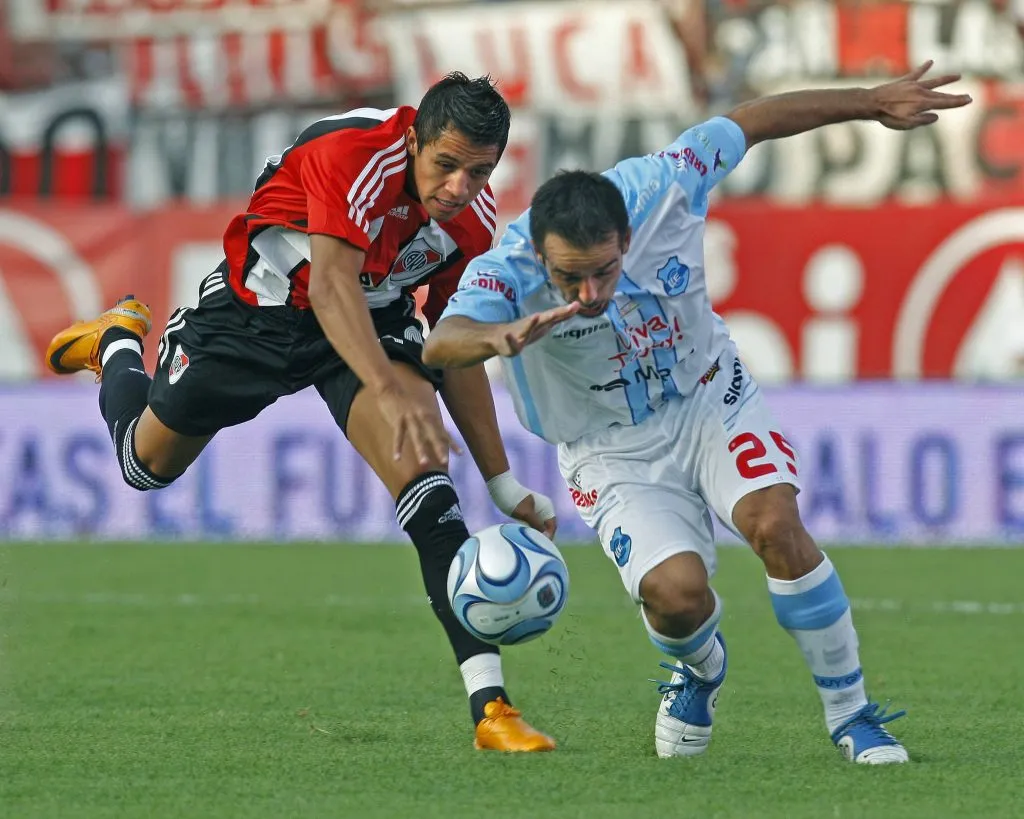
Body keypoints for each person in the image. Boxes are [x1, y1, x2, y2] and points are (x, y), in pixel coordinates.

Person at [422, 62, 973, 763]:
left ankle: (853, 714)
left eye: (604, 270)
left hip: (709, 393)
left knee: (776, 523)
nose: (589, 292)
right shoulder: (507, 268)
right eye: (569, 277)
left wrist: (868, 102)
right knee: (675, 595)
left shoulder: (665, 184)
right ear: (539, 256)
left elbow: (748, 120)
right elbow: (443, 341)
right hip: (607, 447)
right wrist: (497, 335)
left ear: (627, 235)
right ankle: (698, 667)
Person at [45, 72, 558, 753]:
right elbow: (330, 286)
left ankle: (492, 709)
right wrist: (386, 384)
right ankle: (115, 340)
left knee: (432, 494)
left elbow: (454, 345)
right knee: (143, 466)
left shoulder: (470, 224)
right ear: (413, 141)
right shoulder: (353, 157)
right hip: (252, 318)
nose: (461, 187)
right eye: (447, 165)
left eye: (480, 171)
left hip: (368, 325)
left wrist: (502, 481)